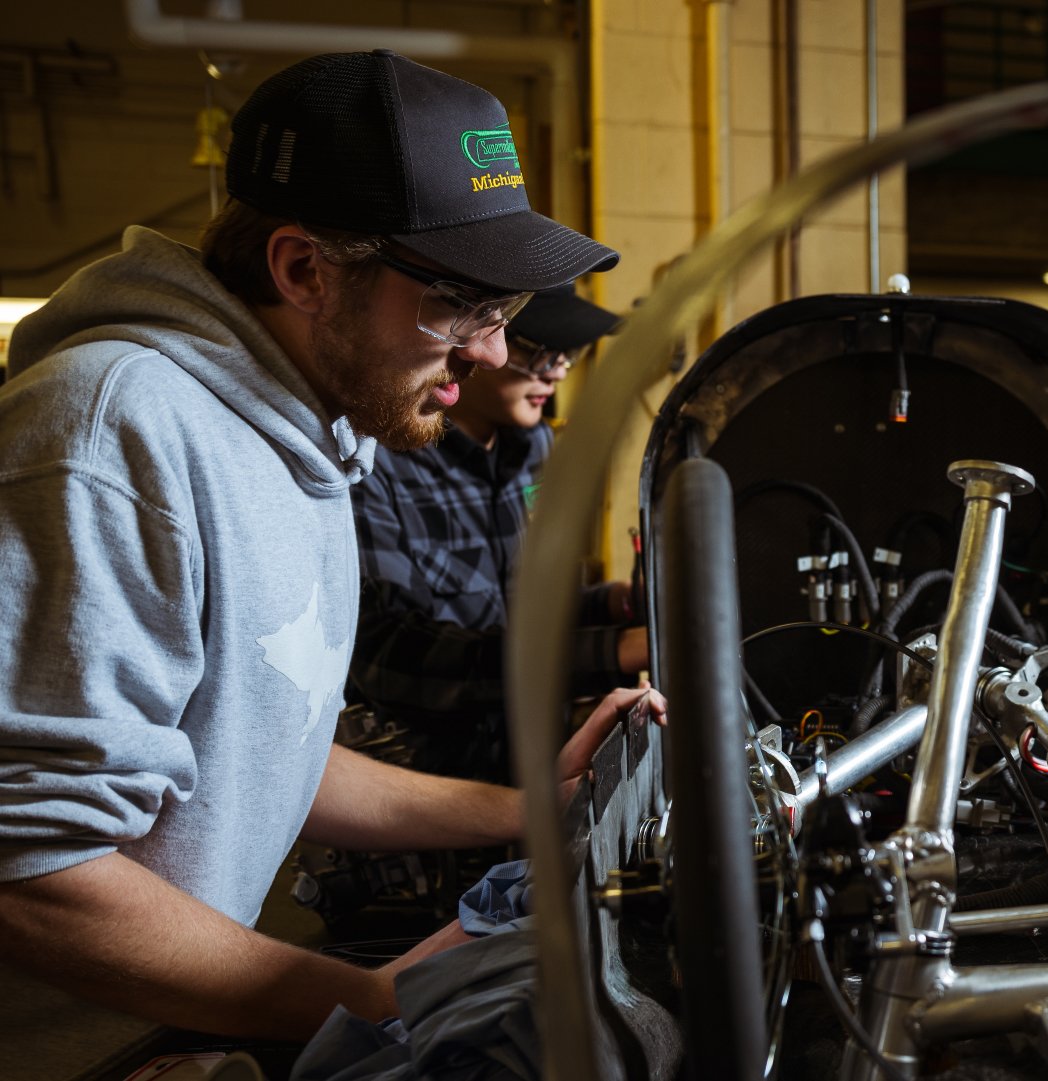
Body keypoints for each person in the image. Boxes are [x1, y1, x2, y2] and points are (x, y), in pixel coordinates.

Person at [0, 51, 654, 1072]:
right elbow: (31, 868)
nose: (489, 353)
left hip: (187, 1034)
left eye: (503, 314)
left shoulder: (313, 437)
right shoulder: (112, 431)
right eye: (463, 306)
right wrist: (366, 999)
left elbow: (265, 750)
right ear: (305, 271)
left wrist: (537, 811)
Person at [349, 286, 642, 783]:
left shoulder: (536, 446)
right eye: (541, 352)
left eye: (569, 354)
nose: (560, 370)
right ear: (468, 343)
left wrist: (616, 605)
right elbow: (391, 658)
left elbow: (527, 608)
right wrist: (614, 651)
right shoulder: (378, 465)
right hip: (426, 786)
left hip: (539, 766)